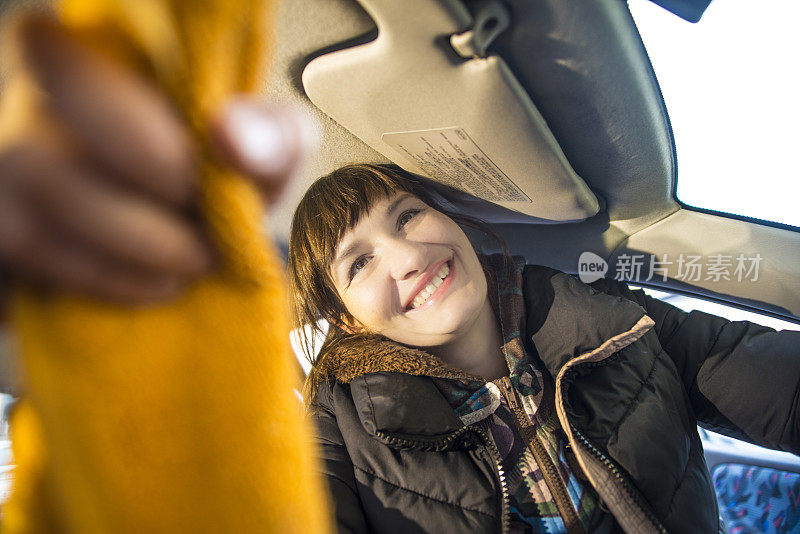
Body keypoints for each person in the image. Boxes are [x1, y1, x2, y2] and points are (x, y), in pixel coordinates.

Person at [287, 163, 800, 534]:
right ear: (346, 320)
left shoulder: (610, 313)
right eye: (358, 263)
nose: (407, 256)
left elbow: (752, 371)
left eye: (407, 216)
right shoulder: (340, 434)